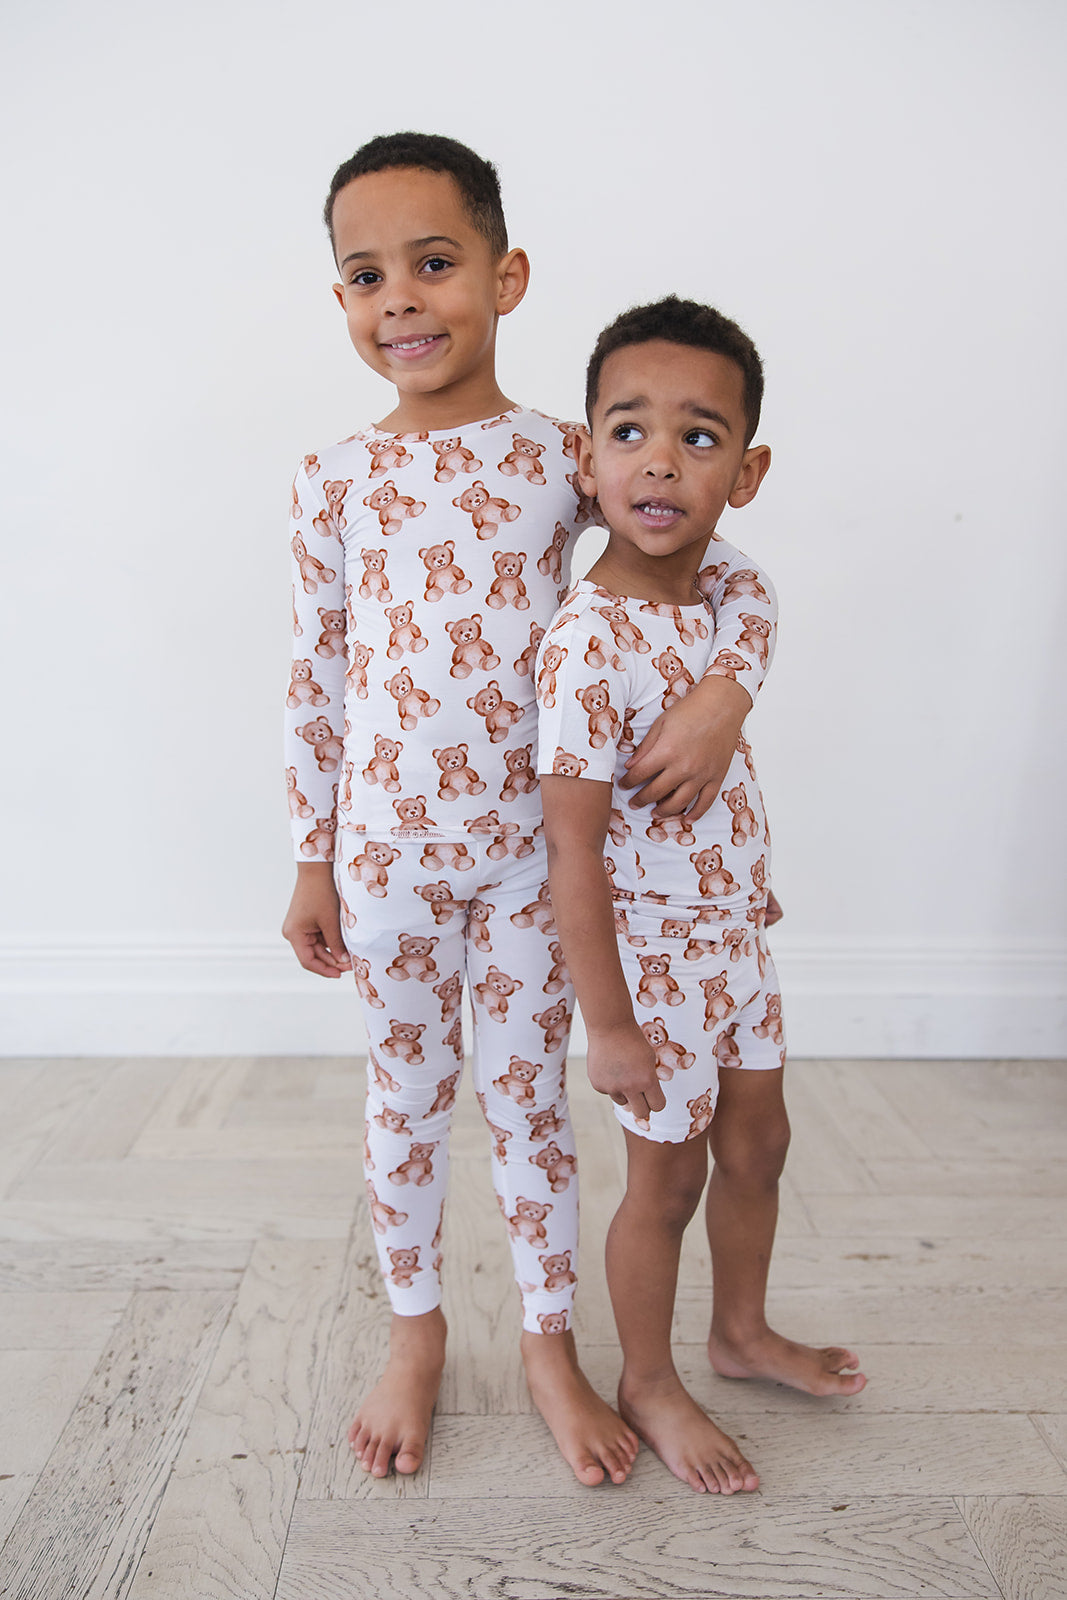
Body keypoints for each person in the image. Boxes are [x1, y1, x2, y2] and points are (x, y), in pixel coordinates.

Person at [282, 134, 779, 1487]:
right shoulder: (331, 478)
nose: (399, 298)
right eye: (365, 276)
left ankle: (549, 1347)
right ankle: (416, 1334)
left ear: (503, 279)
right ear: (341, 300)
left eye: (432, 264)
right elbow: (318, 672)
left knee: (527, 1108)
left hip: (527, 864)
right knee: (404, 1097)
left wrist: (725, 693)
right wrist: (311, 858)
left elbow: (716, 569)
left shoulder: (566, 454)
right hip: (385, 858)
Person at [537, 296, 866, 1496]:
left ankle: (739, 1330)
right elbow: (570, 853)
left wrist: (731, 704)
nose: (660, 461)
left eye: (698, 436)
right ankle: (646, 1376)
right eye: (627, 432)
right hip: (653, 969)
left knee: (759, 1141)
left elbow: (752, 590)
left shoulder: (722, 595)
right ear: (585, 460)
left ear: (746, 471)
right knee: (664, 1180)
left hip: (737, 944)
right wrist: (609, 1024)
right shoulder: (587, 646)